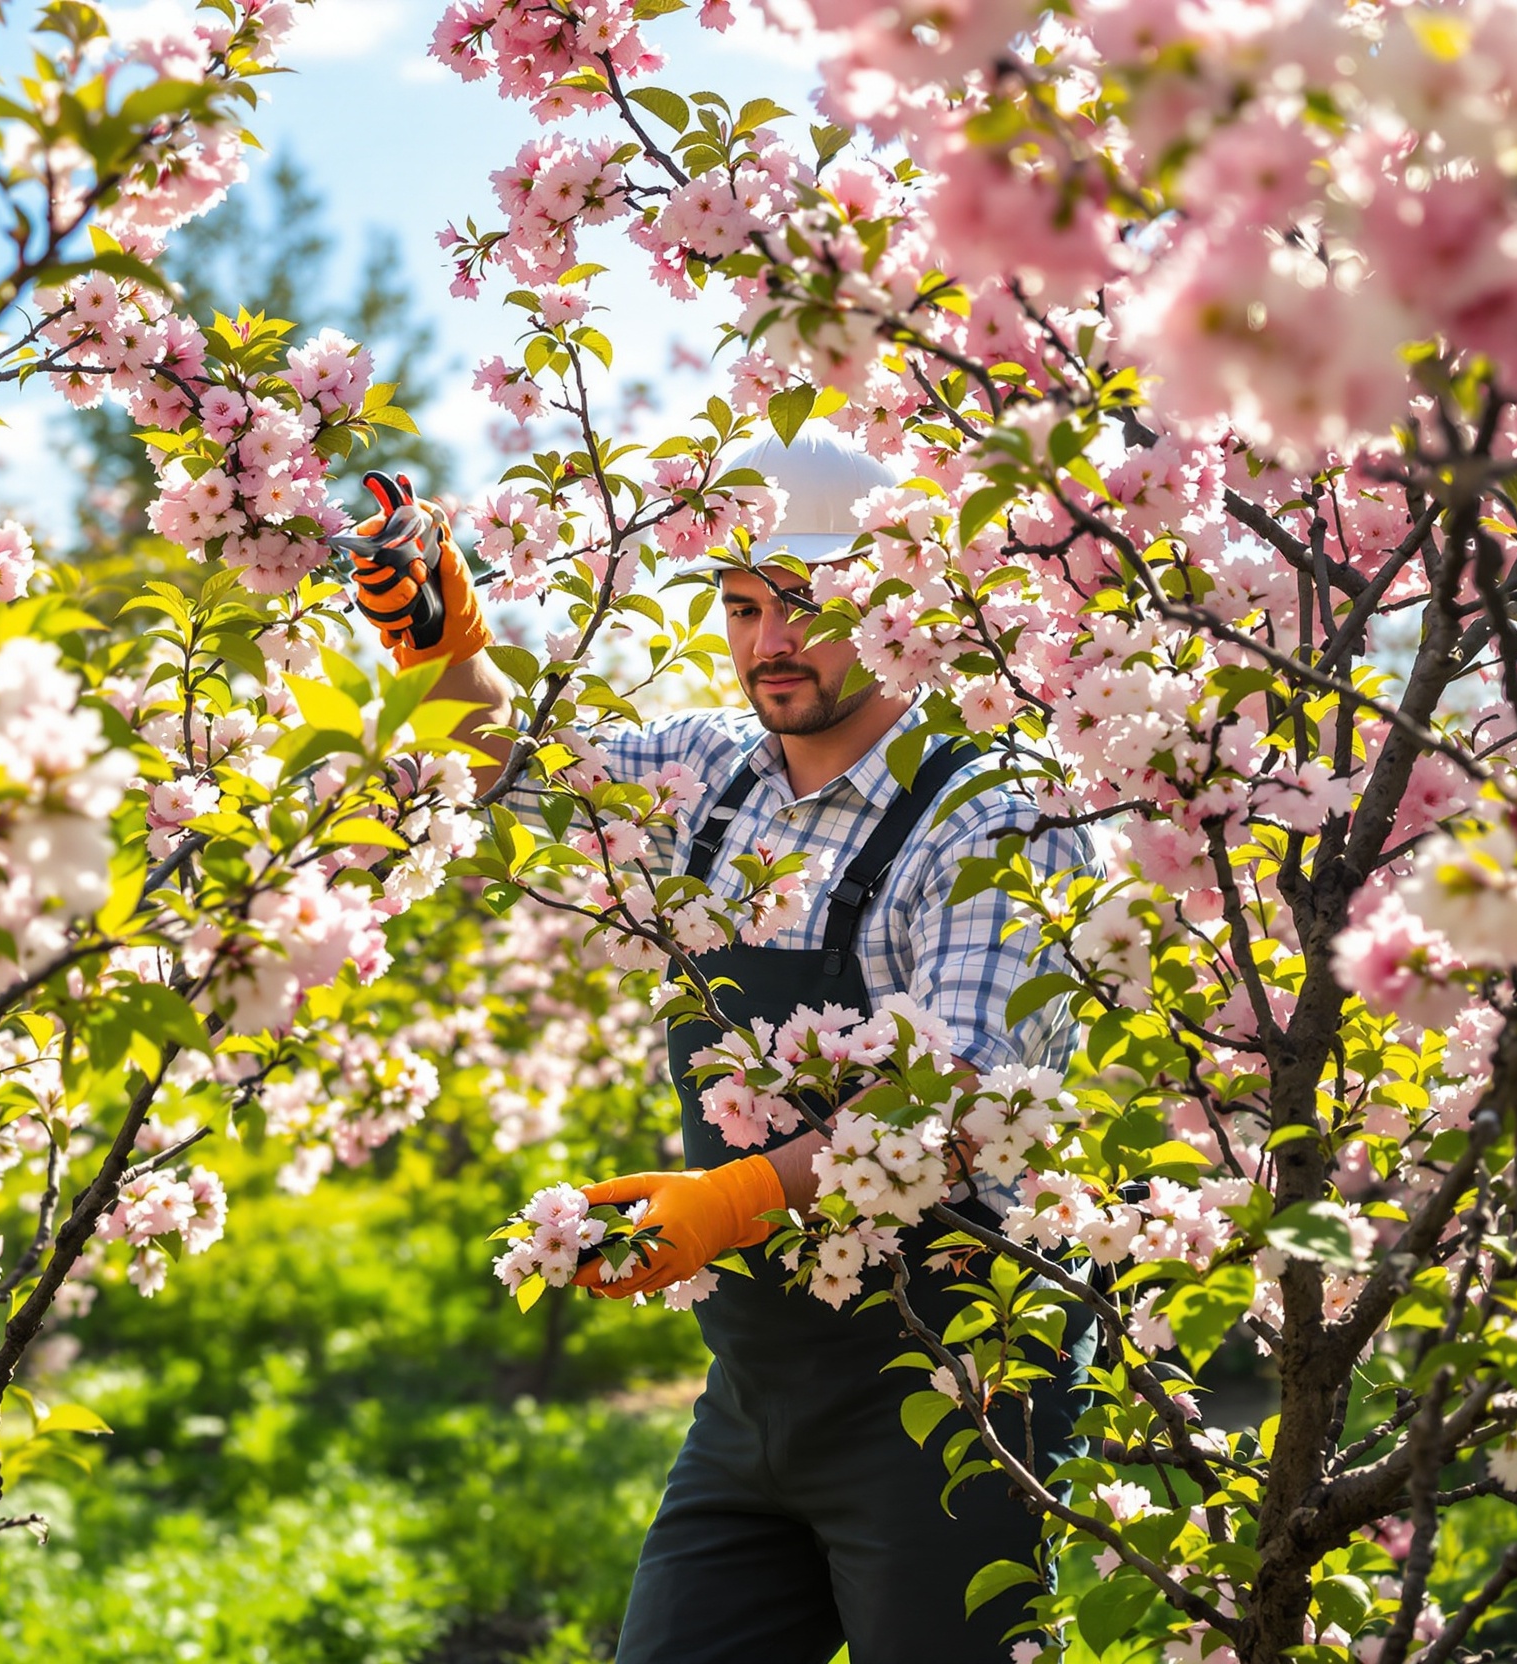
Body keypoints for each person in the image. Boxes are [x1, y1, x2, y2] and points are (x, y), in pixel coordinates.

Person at [335, 432, 1095, 1664]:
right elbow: (514, 768)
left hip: (956, 1390)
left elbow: (963, 1105)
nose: (769, 644)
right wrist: (441, 641)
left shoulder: (995, 818)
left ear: (901, 604)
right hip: (754, 1393)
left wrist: (731, 1196)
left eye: (808, 608)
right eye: (744, 607)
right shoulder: (711, 775)